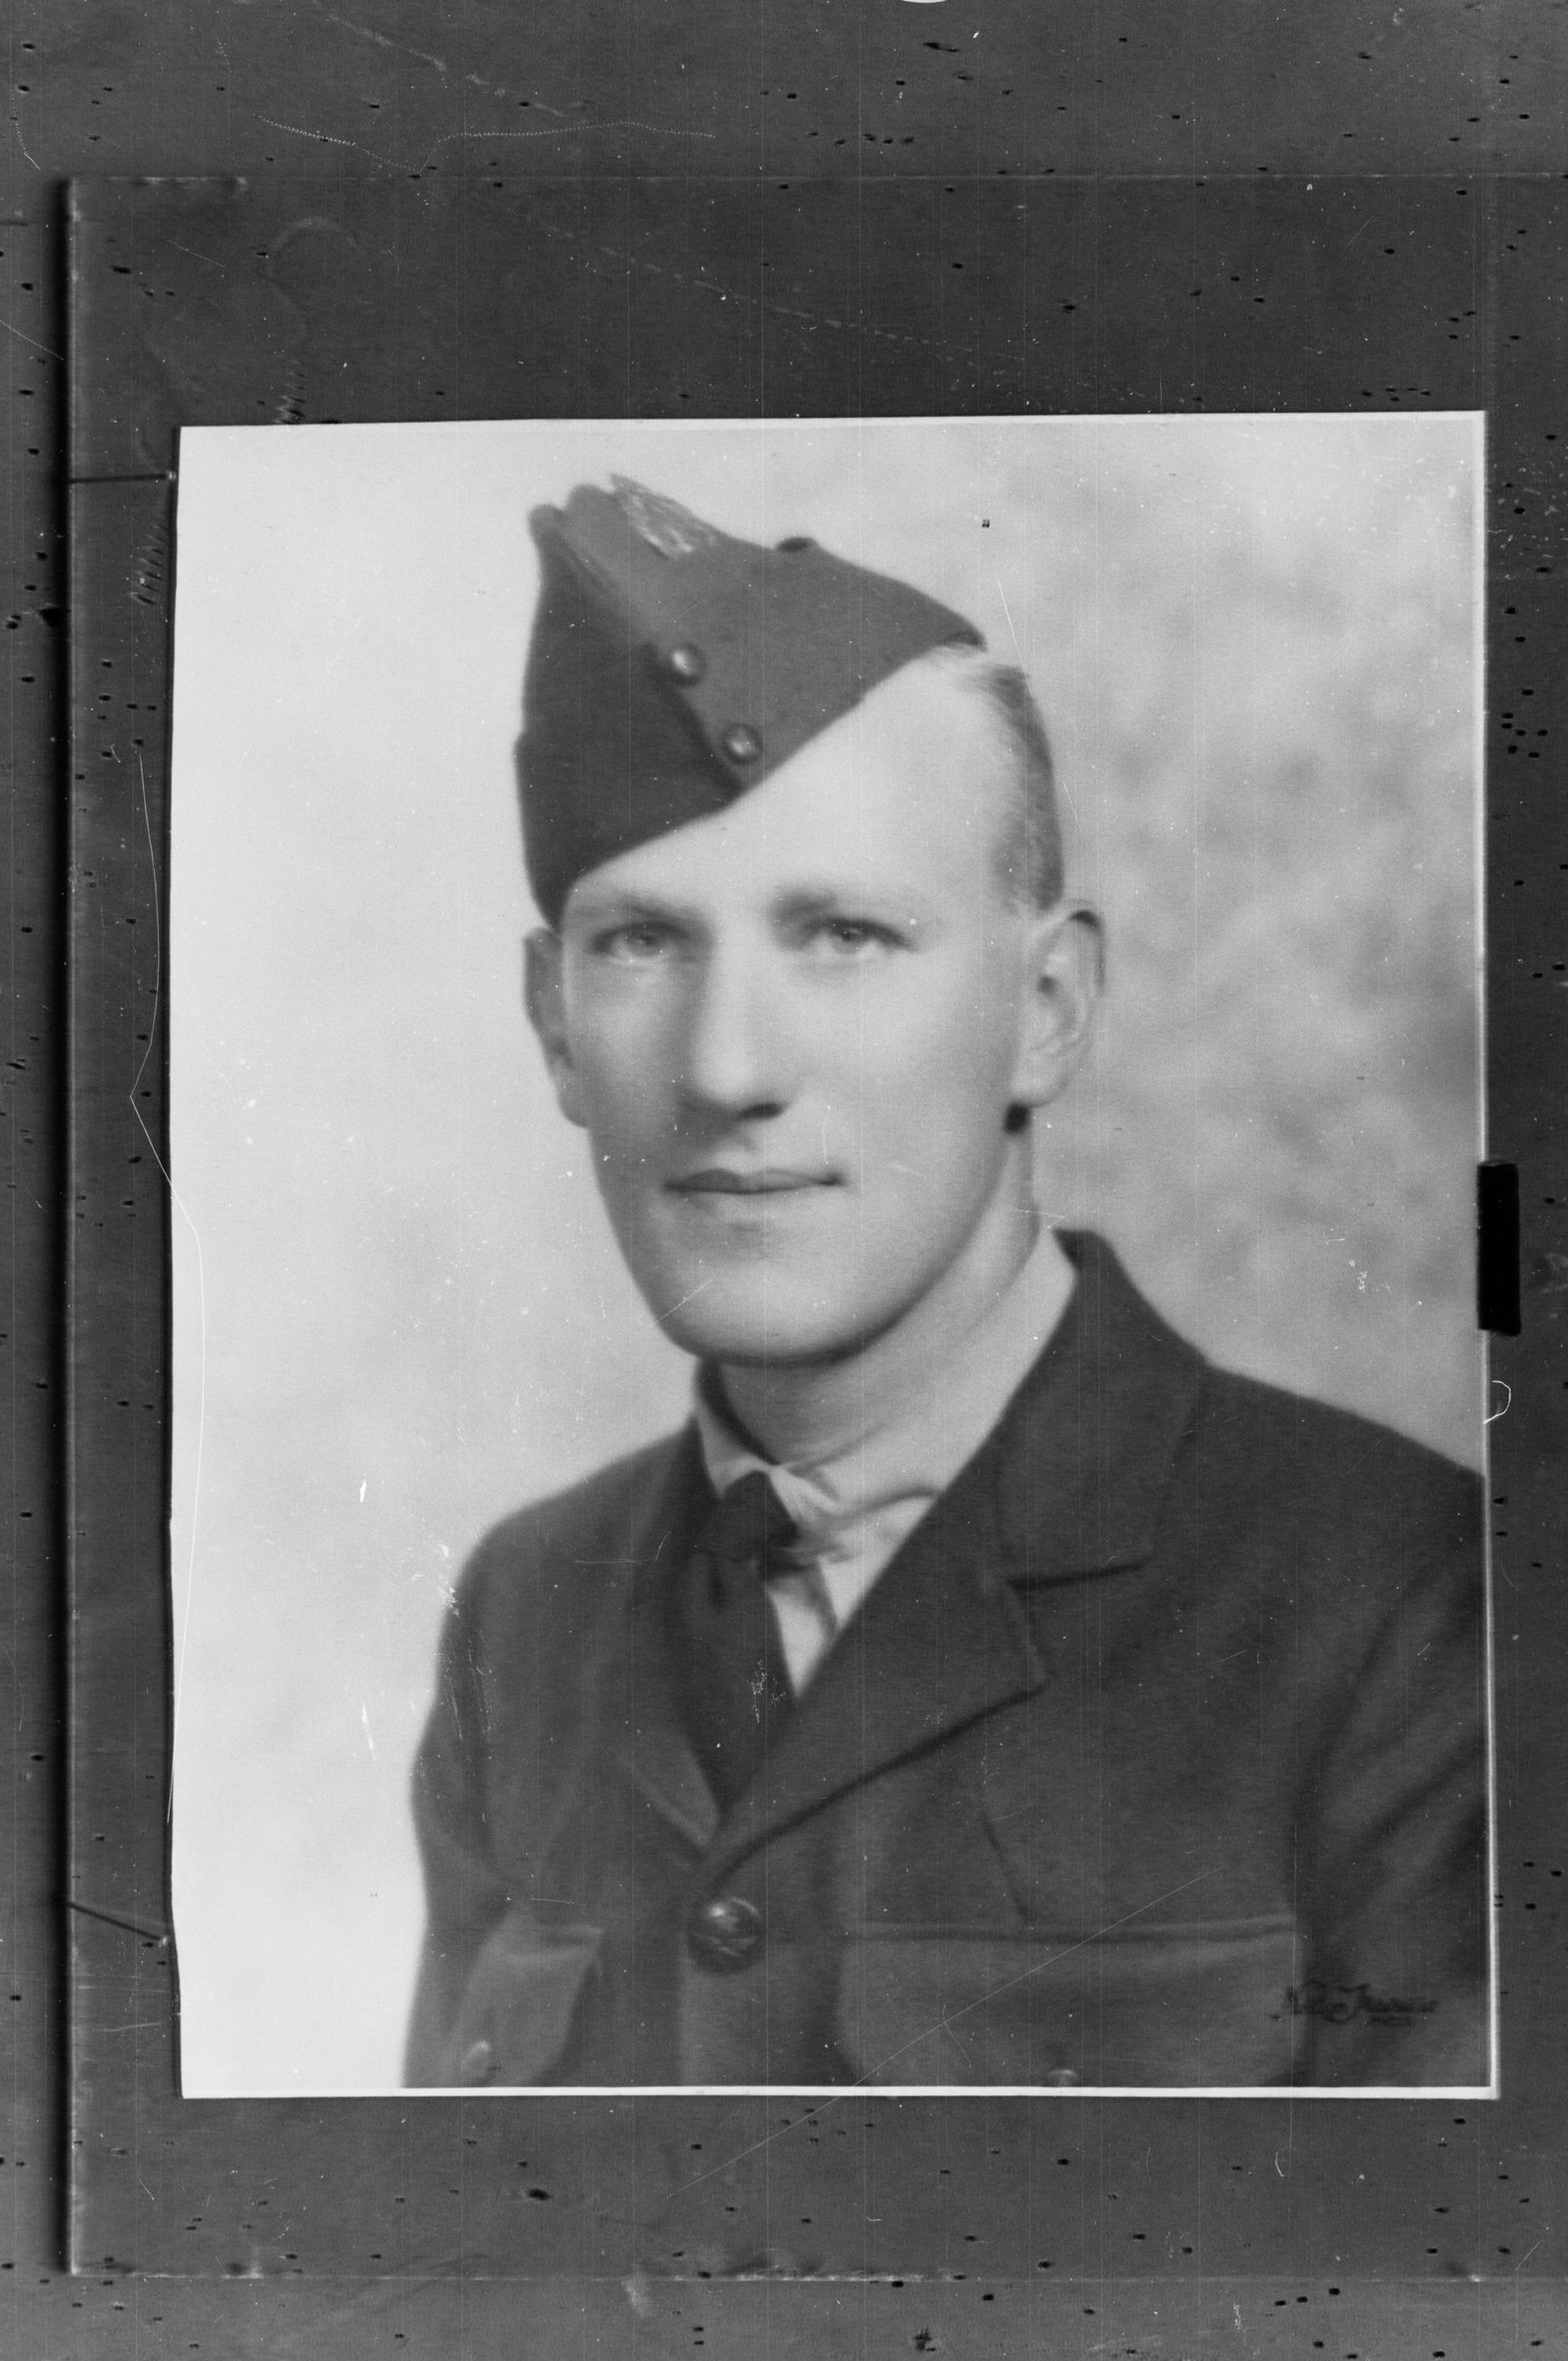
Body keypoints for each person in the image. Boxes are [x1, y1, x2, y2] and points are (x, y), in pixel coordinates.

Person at [403, 475, 1489, 2092]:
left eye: (841, 933)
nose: (727, 1065)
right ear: (553, 1024)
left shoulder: (1409, 1610)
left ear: (1047, 1008)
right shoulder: (524, 1615)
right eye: (640, 943)